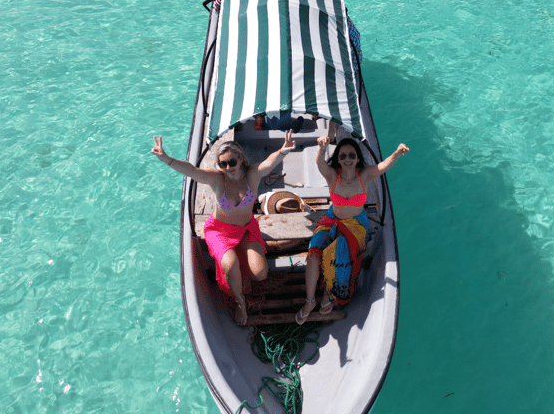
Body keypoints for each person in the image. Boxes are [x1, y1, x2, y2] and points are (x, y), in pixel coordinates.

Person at [152, 131, 296, 325]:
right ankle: (240, 302)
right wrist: (167, 159)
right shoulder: (217, 179)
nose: (228, 167)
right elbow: (192, 171)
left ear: (241, 160)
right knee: (230, 264)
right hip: (220, 230)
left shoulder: (252, 175)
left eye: (232, 162)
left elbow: (268, 163)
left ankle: (242, 264)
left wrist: (283, 152)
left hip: (246, 228)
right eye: (223, 164)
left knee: (261, 273)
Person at [295, 136, 409, 324]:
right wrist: (322, 148)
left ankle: (329, 295)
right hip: (333, 219)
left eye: (351, 155)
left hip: (355, 225)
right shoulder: (332, 175)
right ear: (338, 159)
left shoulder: (365, 175)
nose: (347, 159)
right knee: (314, 251)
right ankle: (309, 301)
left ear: (357, 158)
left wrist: (397, 153)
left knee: (341, 253)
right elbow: (320, 164)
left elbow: (384, 165)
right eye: (343, 156)